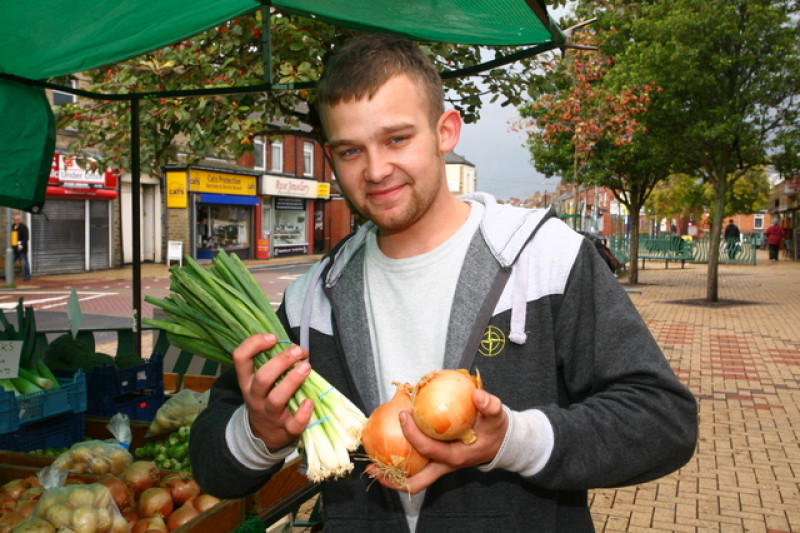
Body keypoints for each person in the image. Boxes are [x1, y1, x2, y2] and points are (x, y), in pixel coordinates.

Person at [189, 34, 698, 532]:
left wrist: (511, 442)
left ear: (445, 131)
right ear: (331, 156)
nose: (376, 170)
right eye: (350, 151)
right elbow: (213, 466)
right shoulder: (309, 300)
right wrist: (259, 433)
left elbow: (663, 422)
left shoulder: (548, 258)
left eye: (397, 139)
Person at [11, 213, 30, 281]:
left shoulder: (23, 227)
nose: (15, 221)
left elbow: (26, 237)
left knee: (25, 262)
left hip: (22, 249)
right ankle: (7, 275)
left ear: (19, 220)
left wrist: (21, 245)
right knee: (10, 261)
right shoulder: (13, 226)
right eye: (14, 219)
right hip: (15, 249)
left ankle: (27, 275)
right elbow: (13, 237)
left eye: (17, 219)